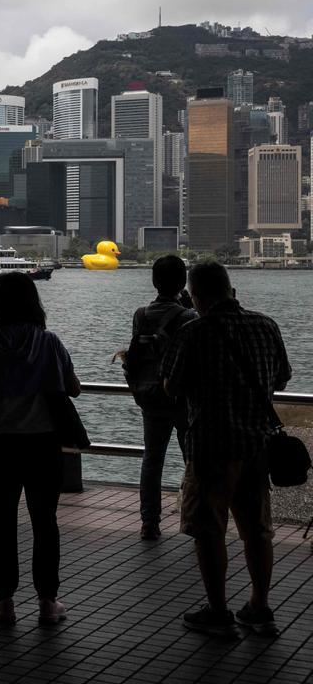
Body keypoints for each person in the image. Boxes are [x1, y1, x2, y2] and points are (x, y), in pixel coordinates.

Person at [162, 262, 290, 636]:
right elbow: (281, 377)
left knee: (209, 530)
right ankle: (259, 607)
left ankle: (218, 611)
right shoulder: (267, 326)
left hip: (211, 447)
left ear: (196, 297)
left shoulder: (192, 332)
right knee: (257, 530)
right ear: (232, 291)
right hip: (257, 443)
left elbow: (172, 388)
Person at [0, 272, 80, 626]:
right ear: (33, 302)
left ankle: (3, 601)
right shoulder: (49, 342)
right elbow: (72, 388)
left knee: (2, 524)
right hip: (44, 444)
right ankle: (47, 602)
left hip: (0, 443)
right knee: (45, 522)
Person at [123, 255, 197, 540]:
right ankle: (194, 518)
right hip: (182, 400)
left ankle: (149, 523)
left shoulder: (141, 314)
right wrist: (189, 308)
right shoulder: (190, 317)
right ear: (183, 282)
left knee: (152, 459)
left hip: (150, 398)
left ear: (154, 281)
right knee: (192, 459)